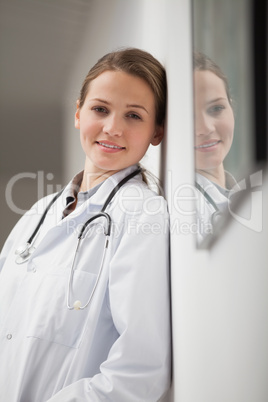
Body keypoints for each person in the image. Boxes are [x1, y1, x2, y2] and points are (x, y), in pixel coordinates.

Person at [0, 48, 171, 401]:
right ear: (78, 113)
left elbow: (142, 367)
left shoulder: (143, 214)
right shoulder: (37, 214)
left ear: (157, 131)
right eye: (100, 109)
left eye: (134, 115)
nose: (113, 128)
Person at [193, 51, 239, 244]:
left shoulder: (241, 193)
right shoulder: (185, 208)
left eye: (216, 108)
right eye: (189, 116)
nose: (205, 128)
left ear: (232, 108)